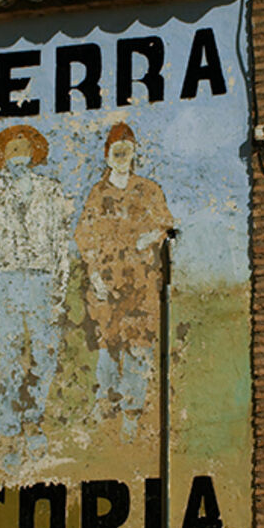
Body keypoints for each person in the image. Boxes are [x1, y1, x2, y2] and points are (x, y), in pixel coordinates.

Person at [0, 125, 72, 466]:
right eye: (12, 150)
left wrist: (59, 294)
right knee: (7, 358)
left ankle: (33, 419)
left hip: (42, 281)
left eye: (24, 149)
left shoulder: (51, 191)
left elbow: (61, 245)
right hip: (8, 281)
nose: (18, 156)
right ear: (2, 156)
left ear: (34, 152)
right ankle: (8, 431)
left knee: (44, 355)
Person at [74, 122, 174, 441]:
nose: (121, 158)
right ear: (107, 156)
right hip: (105, 282)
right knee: (108, 346)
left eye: (126, 152)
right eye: (116, 152)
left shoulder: (148, 190)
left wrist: (150, 238)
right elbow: (84, 236)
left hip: (140, 283)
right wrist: (93, 274)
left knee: (138, 346)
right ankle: (105, 403)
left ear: (133, 155)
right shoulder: (98, 193)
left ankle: (131, 413)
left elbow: (166, 226)